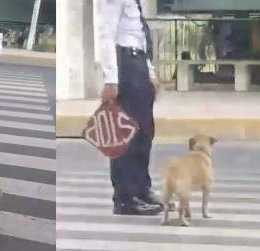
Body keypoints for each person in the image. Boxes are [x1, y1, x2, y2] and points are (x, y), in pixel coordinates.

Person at [98, 0, 174, 215]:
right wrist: (111, 80)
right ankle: (125, 197)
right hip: (126, 64)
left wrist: (149, 72)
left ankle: (141, 189)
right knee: (127, 135)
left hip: (137, 61)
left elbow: (140, 36)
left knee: (144, 132)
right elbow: (106, 34)